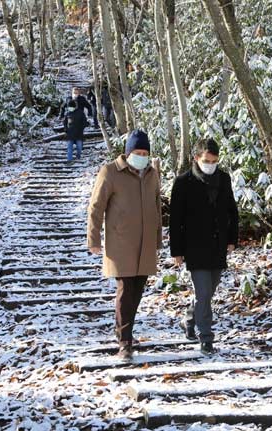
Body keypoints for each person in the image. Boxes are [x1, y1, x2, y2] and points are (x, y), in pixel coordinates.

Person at [87, 130, 163, 360]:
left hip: (145, 243)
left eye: (145, 153)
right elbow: (96, 206)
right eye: (137, 152)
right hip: (121, 242)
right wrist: (94, 239)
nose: (141, 156)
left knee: (138, 290)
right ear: (128, 152)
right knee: (126, 290)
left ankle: (124, 329)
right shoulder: (110, 172)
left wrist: (157, 238)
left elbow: (157, 206)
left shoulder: (152, 174)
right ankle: (125, 342)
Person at [169, 138, 239, 355]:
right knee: (203, 291)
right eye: (207, 160)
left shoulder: (224, 179)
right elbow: (175, 219)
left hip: (218, 246)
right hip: (195, 247)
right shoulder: (183, 182)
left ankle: (189, 319)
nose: (211, 164)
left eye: (215, 160)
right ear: (196, 159)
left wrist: (232, 239)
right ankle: (206, 338)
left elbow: (232, 211)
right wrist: (177, 251)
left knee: (208, 292)